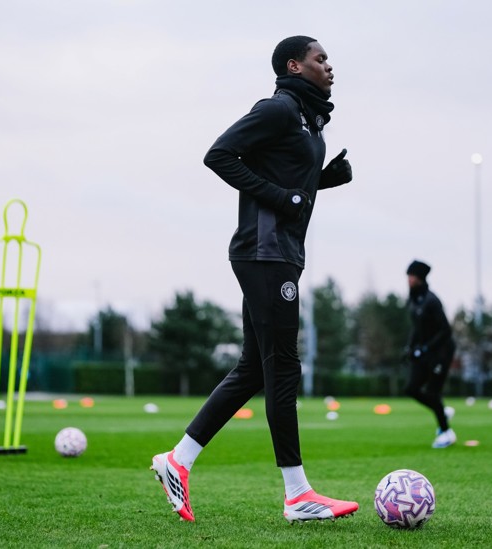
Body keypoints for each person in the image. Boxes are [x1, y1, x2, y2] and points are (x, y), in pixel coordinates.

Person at [150, 36, 357, 523]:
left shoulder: (307, 119)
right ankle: (297, 494)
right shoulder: (279, 109)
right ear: (294, 65)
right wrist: (283, 200)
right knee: (283, 368)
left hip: (278, 253)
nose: (330, 66)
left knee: (255, 368)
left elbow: (287, 178)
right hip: (266, 253)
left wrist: (325, 178)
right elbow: (219, 155)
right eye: (320, 58)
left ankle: (177, 460)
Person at [404, 260, 457, 448]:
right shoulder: (413, 299)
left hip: (442, 351)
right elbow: (416, 328)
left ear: (420, 278)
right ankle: (440, 409)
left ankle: (446, 432)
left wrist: (426, 348)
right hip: (424, 351)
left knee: (433, 392)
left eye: (412, 277)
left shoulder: (432, 301)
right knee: (411, 388)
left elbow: (446, 331)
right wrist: (409, 348)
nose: (409, 280)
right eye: (408, 276)